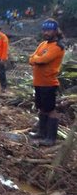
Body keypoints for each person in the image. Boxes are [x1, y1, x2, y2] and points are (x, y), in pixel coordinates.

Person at [28, 18, 65, 146]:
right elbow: (31, 58)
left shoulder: (58, 47)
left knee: (50, 110)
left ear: (55, 31)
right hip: (38, 82)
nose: (46, 32)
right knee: (42, 108)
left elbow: (44, 59)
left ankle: (51, 138)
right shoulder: (43, 44)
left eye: (49, 30)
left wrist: (36, 59)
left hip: (49, 83)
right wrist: (36, 59)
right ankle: (41, 133)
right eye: (44, 30)